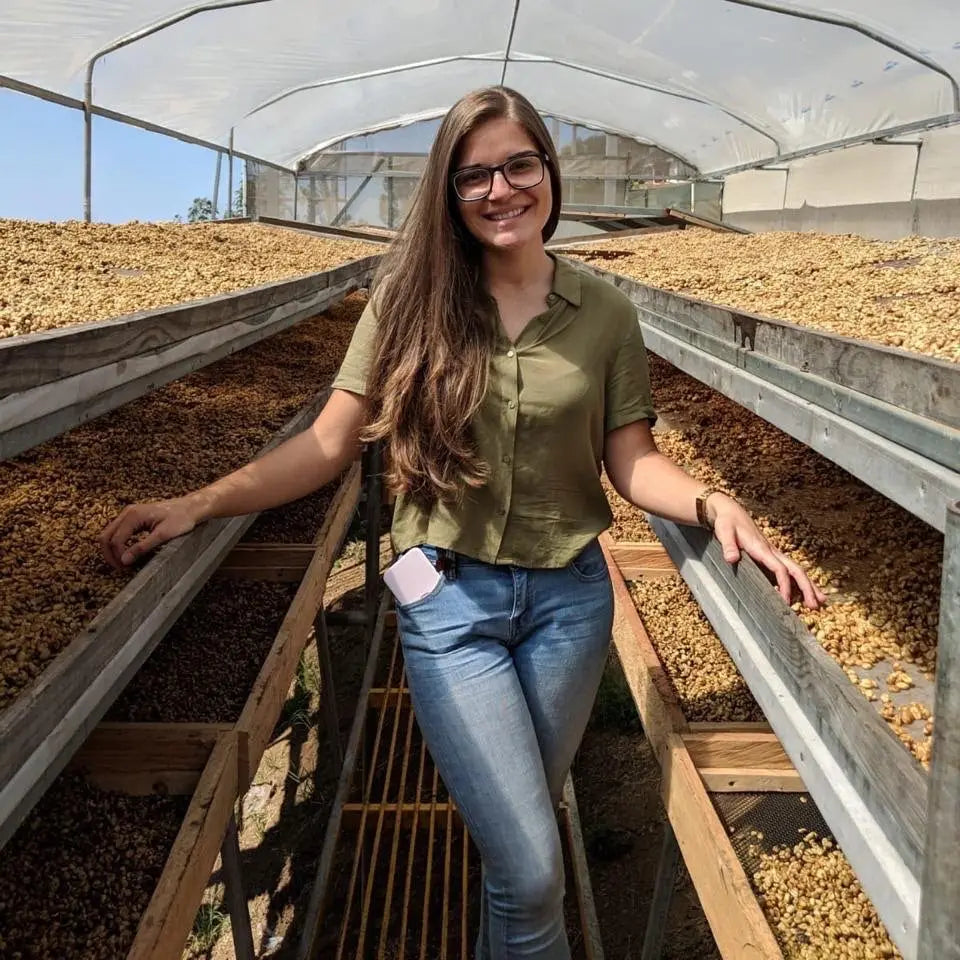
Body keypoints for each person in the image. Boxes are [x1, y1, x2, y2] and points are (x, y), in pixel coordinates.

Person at [101, 87, 824, 959]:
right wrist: (199, 502)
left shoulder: (605, 313)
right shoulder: (407, 303)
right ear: (450, 192)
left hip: (569, 605)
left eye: (519, 165)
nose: (500, 189)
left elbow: (630, 461)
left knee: (514, 851)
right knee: (529, 868)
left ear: (548, 174)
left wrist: (714, 504)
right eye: (474, 174)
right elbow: (329, 444)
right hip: (449, 607)